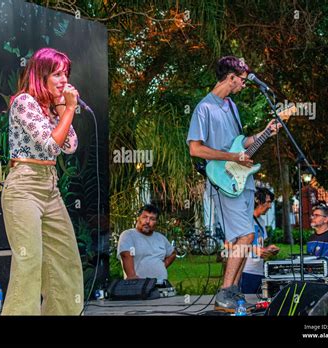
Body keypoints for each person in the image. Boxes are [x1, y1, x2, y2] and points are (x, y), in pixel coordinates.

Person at [186, 56, 281, 312]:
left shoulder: (232, 107)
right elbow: (195, 149)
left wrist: (265, 132)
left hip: (243, 179)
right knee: (246, 235)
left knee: (243, 237)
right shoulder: (204, 108)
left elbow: (242, 142)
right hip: (224, 178)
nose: (243, 85)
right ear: (230, 77)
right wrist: (232, 157)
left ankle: (232, 292)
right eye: (241, 80)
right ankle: (225, 291)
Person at [1, 47, 84, 315]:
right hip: (24, 187)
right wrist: (69, 108)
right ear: (42, 75)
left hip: (50, 187)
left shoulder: (51, 108)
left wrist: (62, 108)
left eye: (66, 74)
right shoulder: (24, 102)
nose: (64, 80)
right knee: (29, 262)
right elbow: (50, 146)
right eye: (57, 74)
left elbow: (69, 144)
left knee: (65, 259)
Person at [117, 204, 176, 284]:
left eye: (152, 219)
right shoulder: (128, 235)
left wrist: (162, 266)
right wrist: (131, 277)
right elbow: (126, 255)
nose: (147, 221)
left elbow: (172, 254)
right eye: (144, 217)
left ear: (156, 222)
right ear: (138, 218)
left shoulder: (161, 238)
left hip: (161, 286)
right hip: (139, 287)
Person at [239, 187, 280, 294]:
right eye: (268, 202)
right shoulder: (244, 220)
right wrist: (253, 250)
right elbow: (229, 244)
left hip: (259, 271)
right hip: (245, 271)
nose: (270, 206)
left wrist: (268, 249)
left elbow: (259, 245)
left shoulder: (261, 221)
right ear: (257, 200)